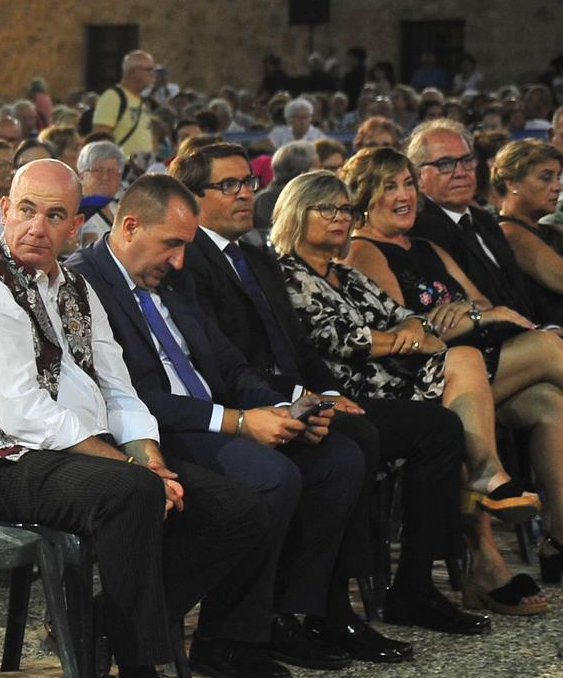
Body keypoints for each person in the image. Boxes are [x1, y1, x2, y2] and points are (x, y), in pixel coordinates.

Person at [0, 158, 270, 678]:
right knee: (132, 493)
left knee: (237, 510)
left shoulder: (76, 287)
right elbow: (24, 416)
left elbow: (117, 386)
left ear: (74, 229)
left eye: (56, 215)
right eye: (28, 210)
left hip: (82, 456)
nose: (38, 226)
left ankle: (97, 627)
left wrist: (151, 458)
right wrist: (130, 469)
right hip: (2, 465)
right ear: (6, 212)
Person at [168, 140, 479, 642]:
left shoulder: (252, 256)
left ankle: (380, 594)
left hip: (295, 389)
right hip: (243, 400)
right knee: (352, 442)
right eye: (228, 185)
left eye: (249, 182)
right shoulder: (190, 259)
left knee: (418, 429)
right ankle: (320, 610)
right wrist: (298, 395)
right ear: (191, 195)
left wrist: (325, 389)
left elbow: (297, 344)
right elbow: (220, 357)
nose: (245, 194)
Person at [71, 176, 368, 678]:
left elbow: (230, 367)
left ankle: (278, 615)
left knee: (338, 458)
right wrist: (237, 423)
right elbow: (128, 395)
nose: (180, 260)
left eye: (186, 247)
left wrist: (289, 407)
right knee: (271, 476)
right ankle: (224, 637)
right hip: (149, 433)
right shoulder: (85, 281)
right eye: (172, 244)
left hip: (212, 418)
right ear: (129, 226)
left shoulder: (172, 279)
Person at [272, 169, 541, 616]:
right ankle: (487, 477)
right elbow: (339, 339)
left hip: (394, 377)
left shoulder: (345, 274)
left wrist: (407, 331)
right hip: (347, 389)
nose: (340, 218)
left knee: (468, 384)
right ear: (296, 214)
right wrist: (399, 337)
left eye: (344, 209)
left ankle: (480, 491)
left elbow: (413, 319)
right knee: (463, 365)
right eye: (326, 209)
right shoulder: (286, 274)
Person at [340, 146, 563, 609]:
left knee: (548, 402)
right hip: (418, 381)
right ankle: (486, 559)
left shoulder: (426, 247)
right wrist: (473, 317)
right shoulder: (363, 250)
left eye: (407, 184)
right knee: (543, 348)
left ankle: (557, 540)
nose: (404, 195)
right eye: (390, 186)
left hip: (476, 370)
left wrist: (468, 315)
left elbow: (482, 302)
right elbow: (411, 333)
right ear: (365, 196)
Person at [489, 139, 563, 317]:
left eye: (558, 177)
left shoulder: (552, 230)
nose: (558, 187)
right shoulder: (507, 232)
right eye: (546, 178)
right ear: (512, 183)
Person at [89, 49, 157, 159]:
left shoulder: (141, 101)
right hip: (122, 170)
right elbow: (100, 137)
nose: (154, 75)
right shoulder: (113, 97)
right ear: (133, 72)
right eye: (149, 70)